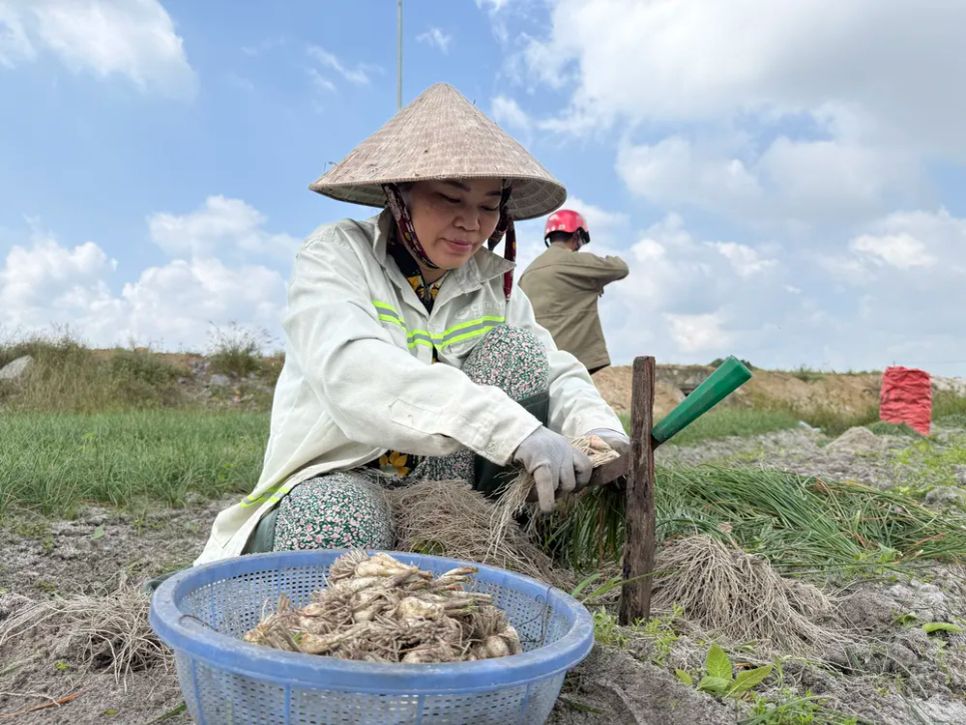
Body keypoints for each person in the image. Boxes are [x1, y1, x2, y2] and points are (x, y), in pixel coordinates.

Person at [195, 83, 629, 565]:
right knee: (338, 527)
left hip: (445, 484)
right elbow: (354, 370)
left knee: (517, 351)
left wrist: (599, 432)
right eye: (450, 198)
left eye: (489, 206)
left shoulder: (493, 283)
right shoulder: (336, 256)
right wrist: (513, 431)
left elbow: (555, 369)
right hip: (348, 474)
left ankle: (486, 539)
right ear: (399, 196)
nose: (472, 223)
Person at [518, 209, 628, 374]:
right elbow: (620, 268)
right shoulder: (575, 262)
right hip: (580, 363)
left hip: (540, 364)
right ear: (577, 236)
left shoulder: (528, 273)